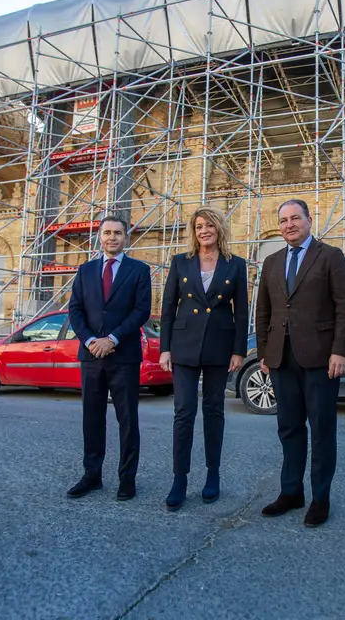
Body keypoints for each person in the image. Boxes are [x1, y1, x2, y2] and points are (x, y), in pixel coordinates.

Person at [255, 199, 345, 528]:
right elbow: (264, 312)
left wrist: (340, 350)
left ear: (309, 220)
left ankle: (320, 498)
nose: (288, 225)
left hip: (321, 359)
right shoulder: (271, 262)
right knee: (288, 427)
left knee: (322, 430)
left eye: (295, 218)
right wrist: (265, 353)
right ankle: (291, 491)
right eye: (283, 220)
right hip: (281, 358)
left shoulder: (330, 257)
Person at [158, 207, 248, 511]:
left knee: (214, 412)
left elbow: (243, 311)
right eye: (198, 226)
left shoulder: (235, 265)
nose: (204, 231)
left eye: (209, 225)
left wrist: (238, 350)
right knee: (183, 413)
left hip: (219, 346)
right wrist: (164, 348)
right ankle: (179, 480)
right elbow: (168, 308)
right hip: (183, 346)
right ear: (193, 231)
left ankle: (213, 476)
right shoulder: (180, 262)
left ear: (219, 229)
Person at [66, 216, 152, 502]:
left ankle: (127, 479)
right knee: (92, 418)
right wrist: (91, 340)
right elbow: (75, 310)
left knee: (127, 419)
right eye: (106, 233)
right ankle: (92, 475)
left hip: (123, 355)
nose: (112, 237)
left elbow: (141, 311)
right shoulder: (86, 270)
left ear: (125, 237)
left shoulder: (139, 270)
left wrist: (111, 339)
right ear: (99, 237)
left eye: (117, 233)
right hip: (91, 355)